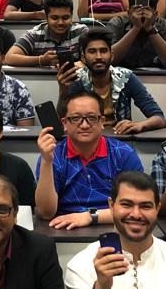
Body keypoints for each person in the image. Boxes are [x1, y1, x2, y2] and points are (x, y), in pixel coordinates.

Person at [34, 90, 144, 228]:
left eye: (91, 118)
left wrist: (90, 216)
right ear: (64, 123)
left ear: (102, 121)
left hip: (114, 225)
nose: (84, 125)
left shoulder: (123, 153)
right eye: (75, 118)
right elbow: (46, 213)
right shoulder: (53, 154)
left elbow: (137, 206)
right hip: (64, 226)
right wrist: (46, 161)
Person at [61, 28, 165, 133]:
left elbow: (159, 119)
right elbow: (62, 123)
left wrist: (140, 125)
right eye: (92, 51)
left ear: (111, 56)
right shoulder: (77, 80)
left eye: (103, 51)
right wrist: (63, 91)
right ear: (83, 58)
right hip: (87, 138)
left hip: (120, 140)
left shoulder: (126, 77)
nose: (98, 57)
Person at [5, 0, 88, 68]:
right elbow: (9, 58)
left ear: (71, 15)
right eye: (55, 18)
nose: (60, 23)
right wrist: (40, 60)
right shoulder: (35, 34)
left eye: (65, 18)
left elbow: (95, 57)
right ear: (46, 17)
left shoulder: (81, 31)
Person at [107, 1, 166, 71]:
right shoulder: (117, 24)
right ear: (128, 13)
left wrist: (150, 29)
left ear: (155, 14)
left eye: (147, 13)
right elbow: (108, 60)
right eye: (136, 12)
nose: (141, 17)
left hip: (158, 81)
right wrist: (135, 28)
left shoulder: (165, 26)